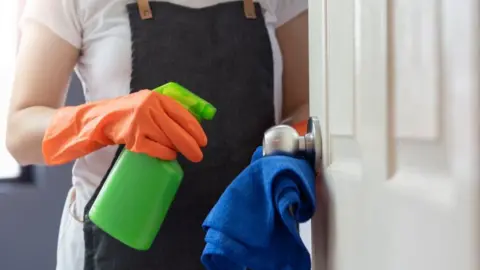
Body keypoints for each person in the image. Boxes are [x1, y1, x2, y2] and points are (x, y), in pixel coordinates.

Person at [6, 0, 309, 269]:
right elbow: (21, 133)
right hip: (116, 248)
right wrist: (109, 118)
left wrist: (279, 164)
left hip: (242, 247)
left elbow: (306, 107)